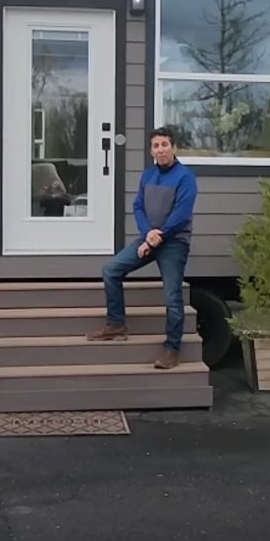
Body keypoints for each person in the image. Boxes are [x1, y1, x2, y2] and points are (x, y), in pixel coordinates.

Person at [86, 126, 198, 370]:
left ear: (174, 147)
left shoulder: (185, 177)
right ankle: (116, 324)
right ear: (151, 151)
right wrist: (147, 234)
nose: (160, 150)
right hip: (150, 237)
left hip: (174, 243)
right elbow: (138, 206)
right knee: (111, 270)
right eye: (156, 146)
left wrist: (158, 236)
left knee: (172, 297)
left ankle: (172, 349)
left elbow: (182, 213)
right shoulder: (148, 175)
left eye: (164, 144)